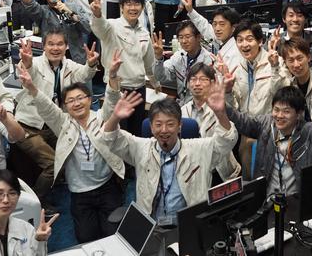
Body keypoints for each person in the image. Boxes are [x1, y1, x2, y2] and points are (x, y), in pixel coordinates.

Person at [17, 49, 125, 243]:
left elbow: (112, 101)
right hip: (79, 193)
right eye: (71, 101)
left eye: (81, 98)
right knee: (86, 238)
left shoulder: (101, 118)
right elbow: (46, 107)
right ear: (65, 106)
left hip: (107, 186)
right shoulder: (63, 123)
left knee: (113, 236)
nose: (76, 104)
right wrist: (32, 87)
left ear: (90, 100)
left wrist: (113, 75)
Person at [102, 81, 238, 224]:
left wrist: (221, 113)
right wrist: (115, 117)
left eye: (170, 124)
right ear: (151, 127)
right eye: (158, 124)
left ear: (180, 126)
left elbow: (226, 141)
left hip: (188, 224)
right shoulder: (142, 148)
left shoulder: (199, 149)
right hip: (151, 223)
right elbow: (110, 139)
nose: (164, 130)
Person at [14, 28, 98, 210]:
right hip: (29, 124)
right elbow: (28, 74)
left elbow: (84, 74)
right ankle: (35, 202)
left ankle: (70, 182)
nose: (55, 48)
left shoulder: (68, 65)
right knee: (53, 163)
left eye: (60, 44)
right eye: (50, 44)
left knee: (74, 145)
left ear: (66, 46)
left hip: (53, 124)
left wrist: (91, 65)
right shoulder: (33, 63)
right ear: (43, 46)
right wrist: (27, 63)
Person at [223, 84, 312, 195]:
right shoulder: (266, 124)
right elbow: (242, 121)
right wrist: (223, 105)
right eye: (276, 109)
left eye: (286, 111)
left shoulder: (308, 132)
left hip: (296, 200)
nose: (279, 115)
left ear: (299, 113)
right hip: (266, 199)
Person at [90, 0, 159, 136]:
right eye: (128, 4)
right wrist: (97, 14)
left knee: (137, 131)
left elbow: (148, 62)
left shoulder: (144, 33)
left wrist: (154, 81)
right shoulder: (112, 26)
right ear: (121, 7)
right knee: (118, 132)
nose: (133, 8)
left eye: (137, 4)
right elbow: (99, 27)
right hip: (119, 89)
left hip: (140, 88)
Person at [181, 63, 241, 180]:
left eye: (203, 79)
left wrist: (228, 90)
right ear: (188, 84)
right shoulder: (182, 111)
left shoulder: (220, 105)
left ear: (212, 83)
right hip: (194, 172)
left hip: (220, 171)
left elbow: (233, 110)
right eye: (193, 79)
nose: (197, 83)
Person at [20, 0, 91, 64]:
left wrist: (70, 12)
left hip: (75, 58)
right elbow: (29, 4)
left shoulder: (73, 8)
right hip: (53, 59)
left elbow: (87, 28)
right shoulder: (43, 11)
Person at [224, 20, 284, 116]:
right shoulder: (237, 68)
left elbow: (282, 96)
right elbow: (234, 108)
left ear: (260, 41)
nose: (244, 44)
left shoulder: (277, 62)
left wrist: (274, 67)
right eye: (240, 40)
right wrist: (227, 91)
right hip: (244, 126)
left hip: (268, 125)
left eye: (249, 39)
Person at [152, 19, 213, 104]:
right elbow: (160, 77)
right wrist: (158, 57)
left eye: (188, 37)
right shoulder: (179, 56)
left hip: (202, 105)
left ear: (198, 37)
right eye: (181, 37)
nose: (184, 41)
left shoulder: (209, 60)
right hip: (182, 104)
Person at [185, 5, 241, 71]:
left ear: (233, 28)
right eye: (214, 24)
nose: (217, 28)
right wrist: (190, 11)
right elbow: (205, 27)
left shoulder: (236, 51)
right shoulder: (223, 39)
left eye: (222, 24)